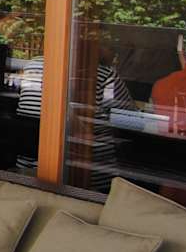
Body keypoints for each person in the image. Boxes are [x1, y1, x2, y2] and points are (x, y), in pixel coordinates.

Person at [15, 56, 132, 191]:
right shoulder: (105, 74)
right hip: (89, 177)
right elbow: (129, 119)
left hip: (27, 170)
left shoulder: (32, 65)